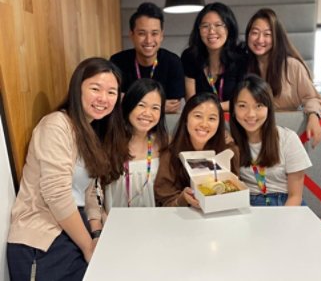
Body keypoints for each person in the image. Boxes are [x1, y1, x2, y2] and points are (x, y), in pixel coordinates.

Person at [7, 58, 126, 280]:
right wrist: (88, 246)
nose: (103, 98)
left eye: (111, 92)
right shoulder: (56, 125)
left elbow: (91, 192)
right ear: (77, 88)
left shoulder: (90, 133)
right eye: (95, 88)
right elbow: (56, 193)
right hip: (43, 239)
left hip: (74, 229)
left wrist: (97, 233)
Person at [244, 8, 321, 148]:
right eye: (255, 33)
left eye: (267, 34)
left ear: (276, 37)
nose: (260, 39)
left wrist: (313, 117)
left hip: (286, 136)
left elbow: (312, 98)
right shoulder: (243, 66)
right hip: (251, 137)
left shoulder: (292, 66)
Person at [229, 74, 312, 206]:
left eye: (258, 106)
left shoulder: (288, 139)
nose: (251, 114)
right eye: (242, 106)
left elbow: (295, 196)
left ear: (269, 108)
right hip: (249, 205)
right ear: (233, 109)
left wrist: (281, 225)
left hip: (286, 204)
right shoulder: (231, 143)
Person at [154, 93, 240, 207]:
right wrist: (183, 199)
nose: (204, 124)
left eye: (212, 118)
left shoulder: (229, 152)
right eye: (198, 116)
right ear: (186, 118)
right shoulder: (170, 155)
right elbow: (164, 201)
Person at [105, 78, 169, 209]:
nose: (147, 113)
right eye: (141, 105)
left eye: (155, 108)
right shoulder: (108, 142)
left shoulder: (164, 143)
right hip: (112, 222)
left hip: (152, 222)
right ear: (129, 105)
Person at [110, 2, 185, 114]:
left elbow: (173, 105)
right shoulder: (117, 62)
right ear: (132, 35)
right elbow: (113, 99)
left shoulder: (173, 62)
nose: (149, 40)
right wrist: (159, 106)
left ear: (161, 36)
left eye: (154, 33)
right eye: (142, 33)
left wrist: (129, 100)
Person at [181, 2, 243, 111]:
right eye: (205, 26)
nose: (211, 31)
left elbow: (243, 102)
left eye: (218, 25)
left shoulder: (241, 58)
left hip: (235, 123)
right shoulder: (190, 57)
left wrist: (212, 107)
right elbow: (191, 102)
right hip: (202, 122)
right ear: (198, 30)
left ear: (229, 28)